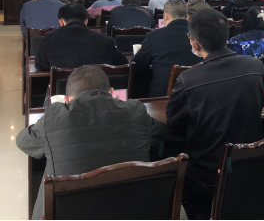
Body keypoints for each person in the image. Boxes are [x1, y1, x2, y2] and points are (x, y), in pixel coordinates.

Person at [17, 65, 167, 220]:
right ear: (111, 92)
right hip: (131, 210)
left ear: (67, 100)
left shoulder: (54, 117)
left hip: (67, 212)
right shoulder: (136, 111)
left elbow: (23, 141)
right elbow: (163, 132)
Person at [166, 8, 264, 219]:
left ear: (195, 44)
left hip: (206, 174)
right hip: (247, 163)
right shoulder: (256, 66)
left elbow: (173, 125)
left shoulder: (188, 79)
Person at [134, 0, 202, 98]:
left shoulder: (154, 36)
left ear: (166, 16)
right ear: (187, 17)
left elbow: (138, 65)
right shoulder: (200, 35)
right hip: (196, 95)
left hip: (162, 98)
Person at [35, 4, 128, 71]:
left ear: (61, 22)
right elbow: (123, 63)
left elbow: (40, 66)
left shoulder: (49, 38)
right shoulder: (105, 40)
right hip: (98, 89)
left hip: (62, 90)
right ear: (86, 22)